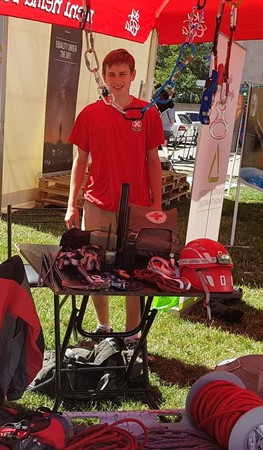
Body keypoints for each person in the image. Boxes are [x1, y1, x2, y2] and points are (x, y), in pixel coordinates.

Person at [65, 48, 164, 342]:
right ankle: (103, 325)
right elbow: (80, 160)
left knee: (134, 269)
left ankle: (132, 333)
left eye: (122, 74)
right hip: (98, 201)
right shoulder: (89, 114)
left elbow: (153, 161)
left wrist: (157, 205)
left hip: (136, 205)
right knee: (95, 264)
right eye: (111, 74)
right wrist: (71, 204)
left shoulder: (148, 113)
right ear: (103, 77)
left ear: (133, 76)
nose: (117, 80)